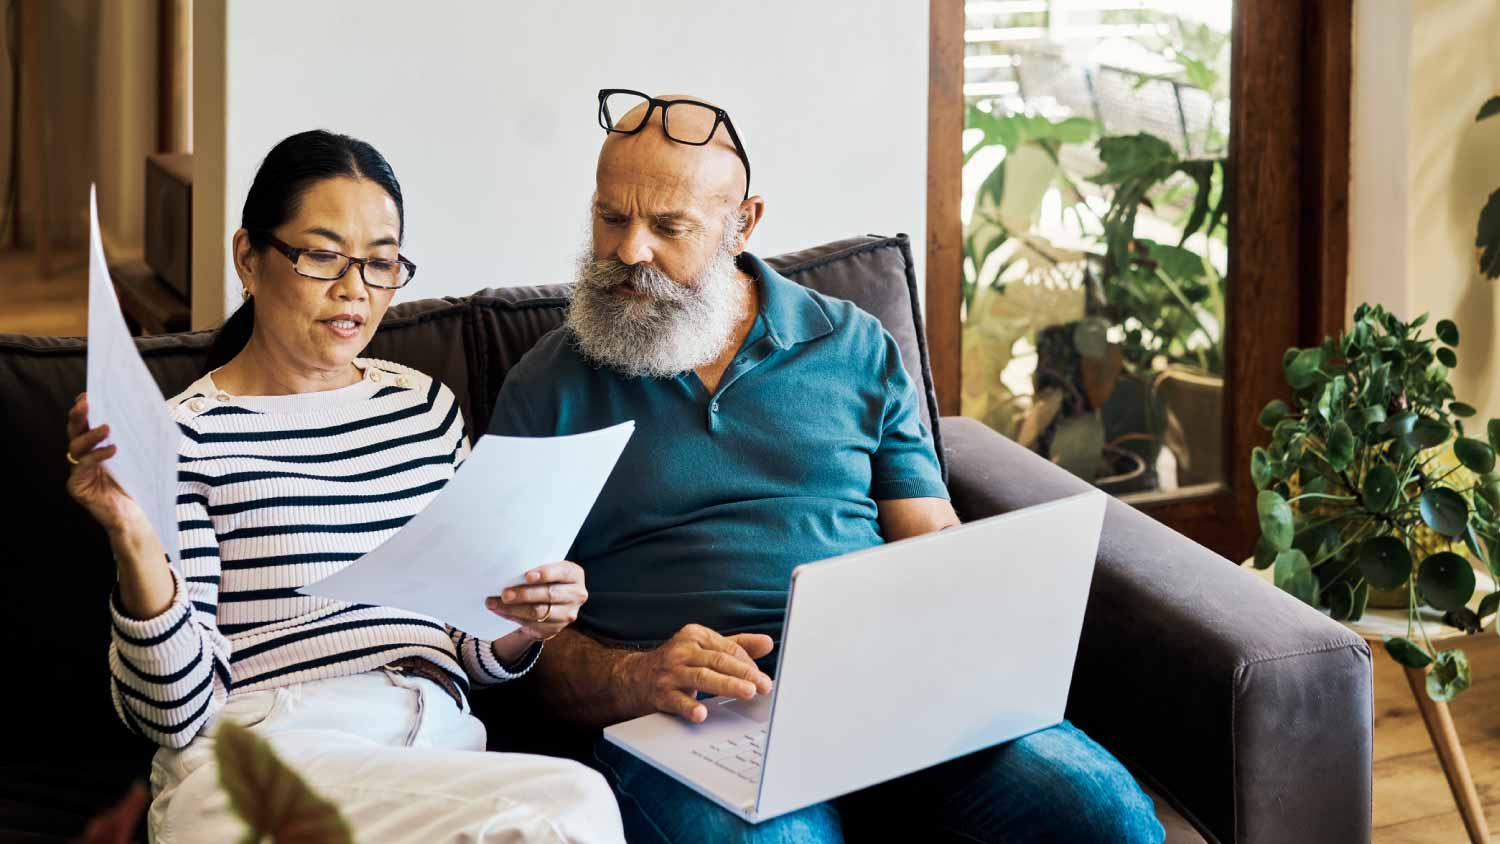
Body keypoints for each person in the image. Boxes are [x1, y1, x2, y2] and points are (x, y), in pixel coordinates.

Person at [488, 91, 1165, 843]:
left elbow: (931, 543)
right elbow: (518, 642)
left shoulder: (852, 344)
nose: (629, 251)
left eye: (668, 226)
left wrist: (970, 655)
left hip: (886, 694)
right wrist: (634, 677)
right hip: (683, 721)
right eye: (611, 216)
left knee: (1106, 815)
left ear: (741, 226)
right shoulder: (548, 383)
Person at [66, 130, 624, 844]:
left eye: (381, 263)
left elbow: (472, 650)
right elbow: (173, 712)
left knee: (564, 805)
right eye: (323, 255)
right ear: (250, 257)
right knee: (570, 806)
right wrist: (134, 542)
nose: (354, 288)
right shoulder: (185, 434)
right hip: (269, 749)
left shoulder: (425, 410)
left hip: (436, 746)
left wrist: (525, 617)